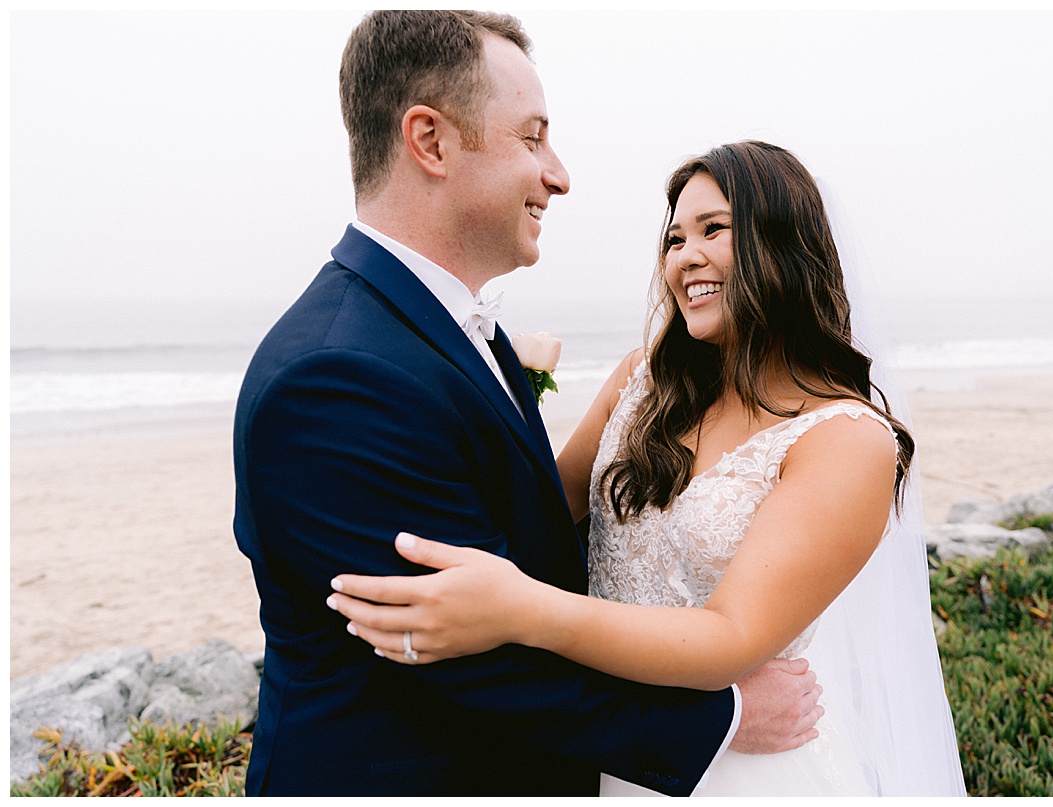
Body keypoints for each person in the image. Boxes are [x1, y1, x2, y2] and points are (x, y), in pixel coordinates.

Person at [232, 12, 821, 797]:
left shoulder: (452, 328)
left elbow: (534, 531)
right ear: (431, 141)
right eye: (531, 137)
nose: (559, 174)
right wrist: (718, 718)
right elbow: (469, 654)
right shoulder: (337, 375)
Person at [327, 141, 969, 795]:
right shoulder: (641, 382)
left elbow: (731, 636)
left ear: (785, 243)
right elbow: (538, 513)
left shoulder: (846, 441)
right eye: (673, 239)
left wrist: (522, 609)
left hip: (744, 772)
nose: (685, 257)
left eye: (713, 230)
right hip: (609, 749)